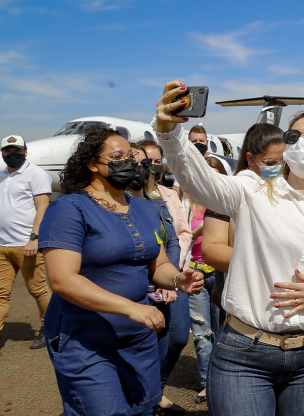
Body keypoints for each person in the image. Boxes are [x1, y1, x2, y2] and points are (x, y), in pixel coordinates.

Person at [155, 84, 304, 416]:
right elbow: (201, 183)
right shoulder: (251, 188)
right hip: (245, 355)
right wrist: (172, 133)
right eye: (293, 137)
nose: (300, 144)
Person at [38, 125, 203, 415]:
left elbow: (158, 265)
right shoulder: (68, 208)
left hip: (138, 338)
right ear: (92, 164)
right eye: (117, 156)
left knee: (142, 408)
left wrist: (178, 279)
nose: (129, 163)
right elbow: (62, 280)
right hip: (85, 340)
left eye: (131, 156)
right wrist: (129, 308)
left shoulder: (145, 208)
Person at [128, 142, 192, 415]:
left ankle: (154, 392)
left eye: (152, 163)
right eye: (143, 162)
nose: (148, 168)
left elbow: (173, 240)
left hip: (166, 278)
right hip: (137, 288)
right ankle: (145, 397)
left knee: (174, 337)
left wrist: (172, 278)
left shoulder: (158, 202)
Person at [0, 134, 52, 353]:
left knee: (37, 290)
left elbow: (43, 207)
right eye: (8, 151)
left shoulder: (36, 174)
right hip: (0, 245)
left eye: (17, 150)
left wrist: (34, 238)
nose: (13, 154)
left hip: (26, 244)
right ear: (3, 154)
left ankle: (48, 328)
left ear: (25, 152)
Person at [187, 156, 229, 406]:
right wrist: (198, 230)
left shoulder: (228, 205)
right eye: (206, 174)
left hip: (221, 273)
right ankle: (206, 383)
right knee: (202, 333)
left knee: (224, 331)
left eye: (215, 175)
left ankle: (222, 379)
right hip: (195, 272)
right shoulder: (187, 203)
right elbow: (180, 239)